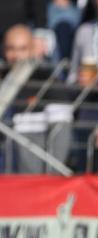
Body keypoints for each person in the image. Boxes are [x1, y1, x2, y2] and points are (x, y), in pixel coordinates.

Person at [1, 24, 76, 174]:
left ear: (33, 50)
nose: (16, 56)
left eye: (22, 49)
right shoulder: (3, 81)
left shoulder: (48, 82)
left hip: (35, 178)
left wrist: (50, 177)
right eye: (11, 49)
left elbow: (61, 135)